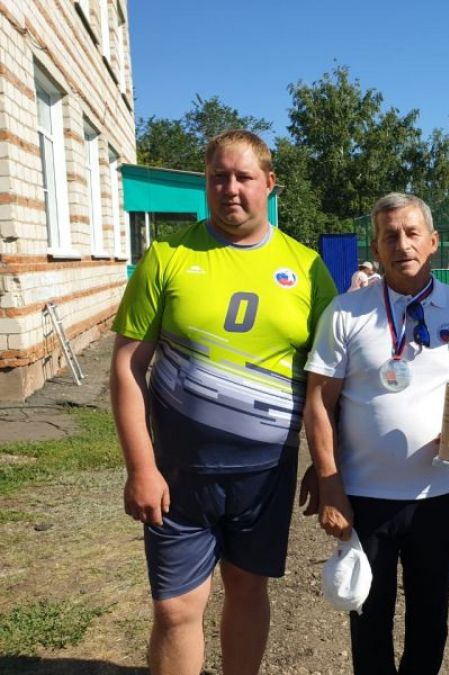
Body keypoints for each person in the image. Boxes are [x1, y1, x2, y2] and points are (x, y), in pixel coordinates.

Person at [109, 129, 337, 674]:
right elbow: (127, 366)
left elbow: (327, 382)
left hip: (265, 474)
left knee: (247, 588)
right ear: (206, 183)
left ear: (269, 183)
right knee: (175, 608)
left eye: (243, 177)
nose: (230, 188)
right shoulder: (166, 256)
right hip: (178, 475)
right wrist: (141, 467)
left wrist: (326, 464)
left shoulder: (307, 267)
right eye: (218, 177)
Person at [304, 192, 449, 675]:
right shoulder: (346, 312)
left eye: (412, 233)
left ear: (433, 241)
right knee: (368, 619)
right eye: (389, 235)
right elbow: (319, 403)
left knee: (431, 620)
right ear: (376, 246)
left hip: (439, 497)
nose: (402, 244)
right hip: (365, 498)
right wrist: (330, 484)